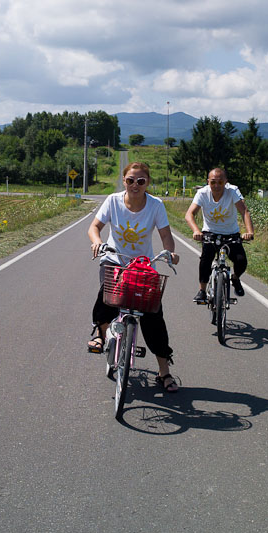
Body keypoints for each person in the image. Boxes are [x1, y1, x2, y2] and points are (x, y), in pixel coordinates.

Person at [87, 162, 181, 392]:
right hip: (114, 259)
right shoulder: (113, 201)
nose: (135, 185)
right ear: (124, 181)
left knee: (152, 314)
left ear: (147, 182)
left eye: (140, 181)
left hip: (143, 265)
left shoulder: (156, 205)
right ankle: (101, 333)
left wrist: (170, 253)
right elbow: (94, 227)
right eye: (130, 180)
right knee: (108, 296)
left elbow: (166, 236)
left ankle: (164, 372)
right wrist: (97, 242)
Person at [184, 168, 254, 304]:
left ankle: (235, 278)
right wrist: (196, 231)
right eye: (213, 182)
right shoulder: (202, 193)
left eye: (220, 182)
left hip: (231, 234)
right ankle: (202, 290)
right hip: (210, 232)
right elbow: (189, 214)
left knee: (241, 260)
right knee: (206, 259)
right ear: (208, 182)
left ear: (225, 182)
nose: (216, 186)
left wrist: (249, 232)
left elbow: (244, 211)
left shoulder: (232, 191)